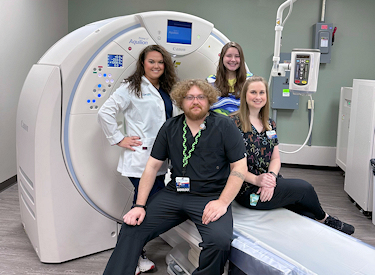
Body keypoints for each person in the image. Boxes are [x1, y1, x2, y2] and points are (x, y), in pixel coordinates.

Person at [102, 79, 248, 275]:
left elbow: (239, 166)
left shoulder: (224, 126)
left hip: (210, 196)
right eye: (190, 97)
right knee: (132, 229)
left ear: (209, 100)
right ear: (181, 101)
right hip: (175, 194)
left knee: (219, 242)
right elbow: (152, 166)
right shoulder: (170, 127)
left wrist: (222, 202)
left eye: (200, 97)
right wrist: (139, 205)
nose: (195, 101)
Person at [230, 76, 355, 235]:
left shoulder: (270, 124)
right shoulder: (233, 124)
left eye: (262, 92)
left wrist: (271, 178)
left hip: (270, 183)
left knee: (306, 210)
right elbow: (231, 166)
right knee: (305, 189)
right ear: (245, 95)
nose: (258, 96)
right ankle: (325, 219)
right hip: (248, 190)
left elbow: (275, 158)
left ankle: (319, 222)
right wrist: (257, 180)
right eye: (253, 92)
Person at [98, 44, 178, 274]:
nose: (156, 65)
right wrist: (118, 139)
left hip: (161, 160)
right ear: (143, 63)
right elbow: (105, 112)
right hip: (141, 159)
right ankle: (131, 257)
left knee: (144, 207)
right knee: (144, 208)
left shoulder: (166, 88)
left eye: (160, 62)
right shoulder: (131, 87)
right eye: (151, 61)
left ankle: (135, 254)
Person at [207, 41, 253, 116]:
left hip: (242, 124)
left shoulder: (250, 80)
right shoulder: (211, 81)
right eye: (229, 56)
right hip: (218, 124)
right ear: (222, 58)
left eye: (237, 56)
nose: (233, 60)